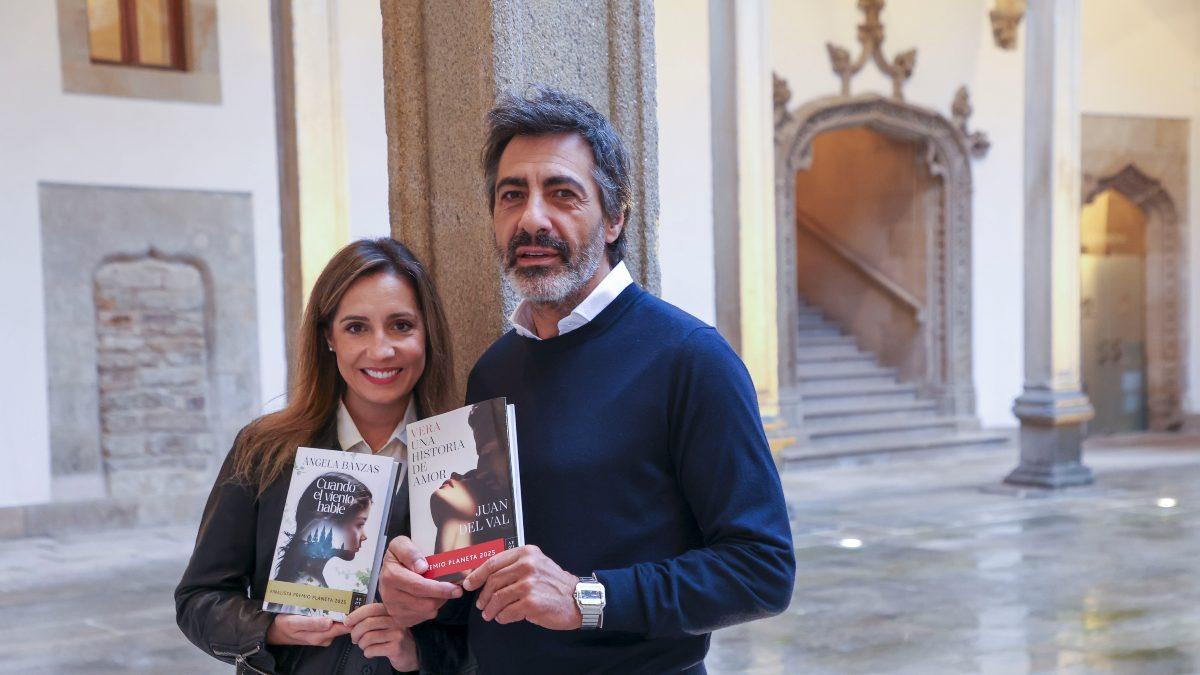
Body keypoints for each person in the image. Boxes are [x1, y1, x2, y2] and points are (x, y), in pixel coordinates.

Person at [379, 86, 796, 673]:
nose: (532, 219)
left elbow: (762, 571)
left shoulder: (691, 359)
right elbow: (481, 563)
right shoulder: (493, 370)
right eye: (511, 196)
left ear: (614, 216)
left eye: (563, 194)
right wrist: (422, 587)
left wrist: (585, 598)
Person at [175, 238, 471, 674]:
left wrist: (417, 654)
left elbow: (486, 623)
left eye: (401, 325)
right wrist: (271, 628)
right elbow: (198, 600)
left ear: (427, 333)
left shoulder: (463, 458)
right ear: (328, 337)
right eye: (356, 328)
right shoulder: (264, 450)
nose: (381, 349)